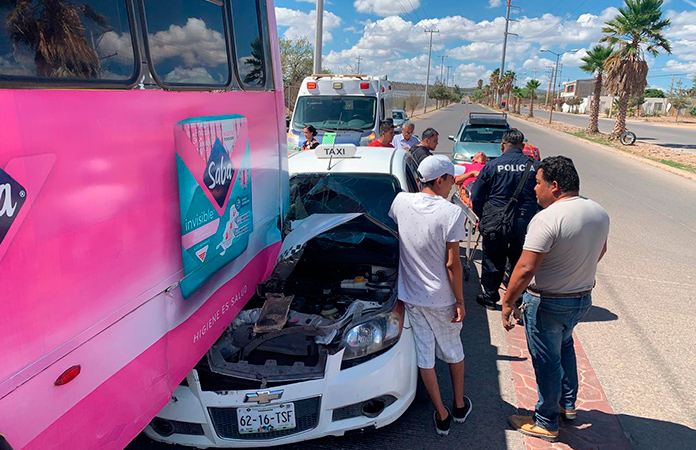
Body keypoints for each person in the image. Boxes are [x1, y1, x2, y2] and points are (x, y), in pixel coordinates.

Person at [501, 156, 610, 442]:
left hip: (548, 302)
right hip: (581, 299)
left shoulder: (547, 218)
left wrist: (508, 302)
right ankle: (568, 405)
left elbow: (525, 268)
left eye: (538, 183)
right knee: (564, 347)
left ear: (555, 186)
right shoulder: (598, 211)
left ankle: (546, 421)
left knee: (546, 361)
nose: (535, 189)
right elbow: (601, 250)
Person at [388, 155, 473, 436]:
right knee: (453, 350)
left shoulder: (400, 202)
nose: (453, 185)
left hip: (412, 296)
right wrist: (460, 301)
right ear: (440, 180)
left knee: (425, 356)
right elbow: (452, 264)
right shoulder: (450, 213)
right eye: (451, 179)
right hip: (442, 298)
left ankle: (442, 414)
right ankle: (459, 405)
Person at [470, 129, 538, 310]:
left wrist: (483, 216)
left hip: (496, 220)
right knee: (520, 260)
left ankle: (490, 297)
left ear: (502, 146)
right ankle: (519, 298)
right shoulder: (535, 166)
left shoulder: (492, 166)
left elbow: (476, 196)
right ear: (523, 146)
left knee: (493, 258)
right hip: (524, 222)